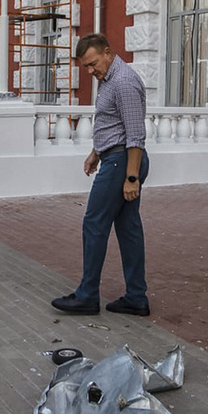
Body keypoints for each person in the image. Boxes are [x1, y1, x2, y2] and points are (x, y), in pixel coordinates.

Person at [52, 33, 150, 316]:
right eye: (86, 67)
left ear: (108, 52)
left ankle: (87, 295)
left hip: (123, 163)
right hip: (116, 158)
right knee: (129, 230)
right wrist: (96, 152)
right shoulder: (109, 80)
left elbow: (135, 135)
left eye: (93, 64)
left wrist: (131, 178)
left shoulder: (124, 81)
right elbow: (112, 122)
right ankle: (136, 297)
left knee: (94, 223)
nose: (91, 71)